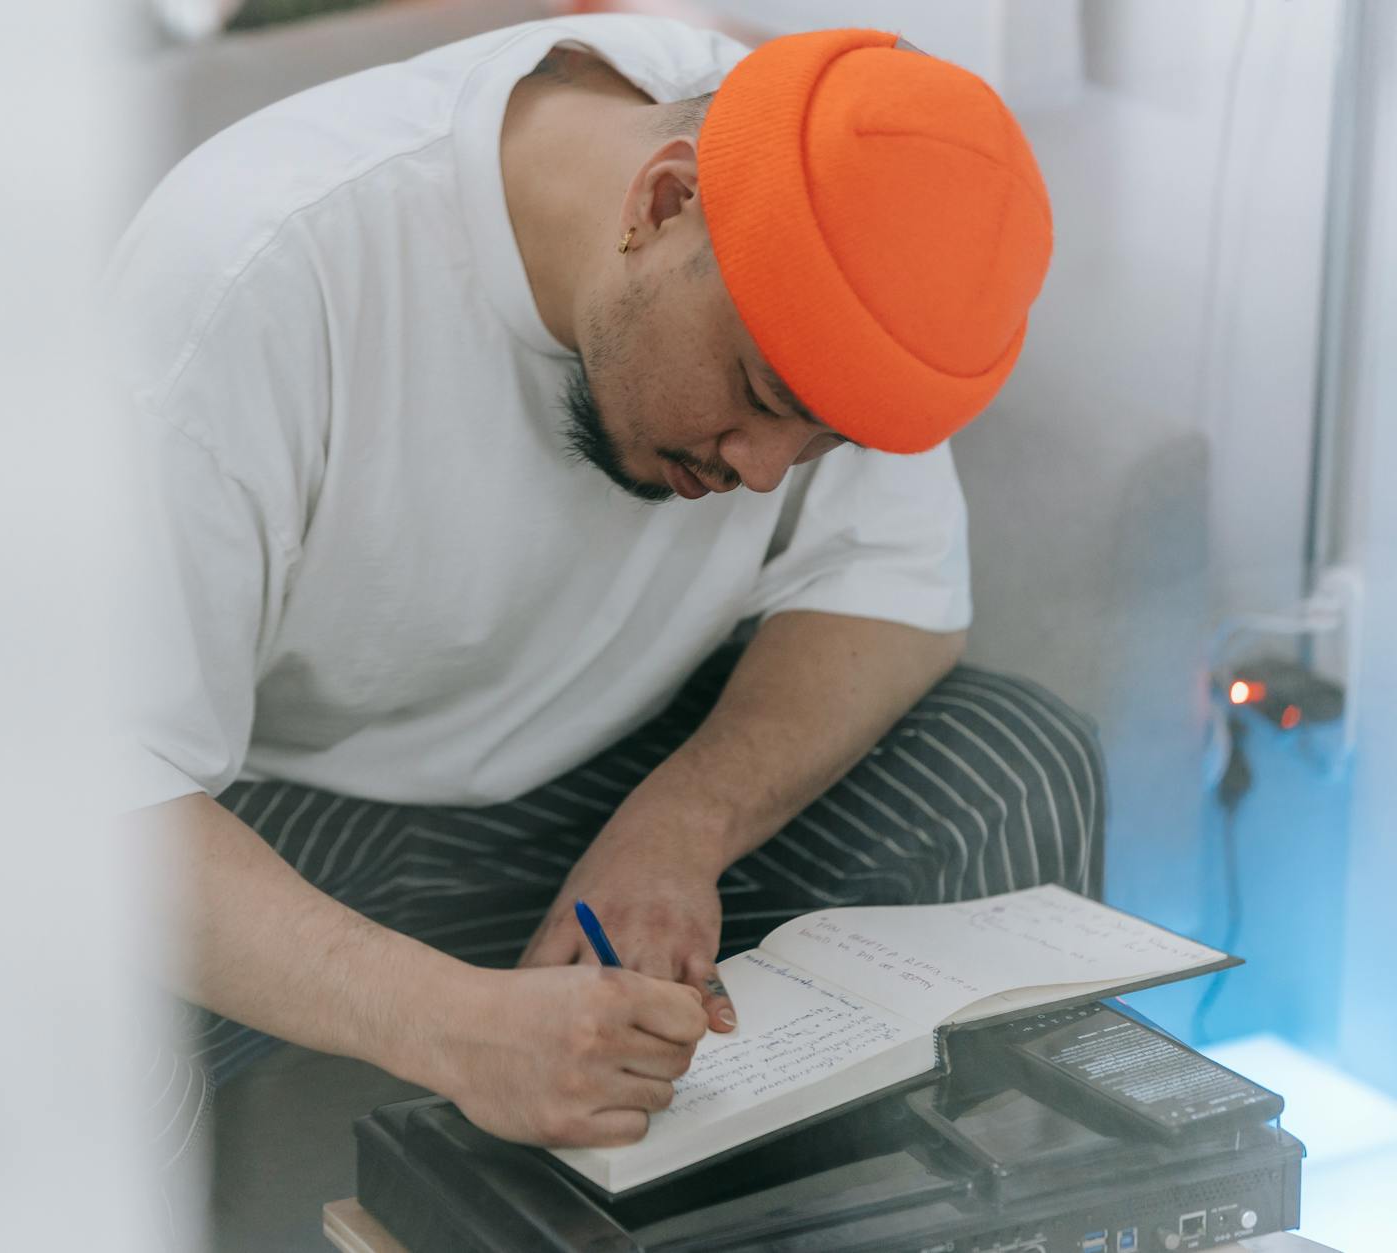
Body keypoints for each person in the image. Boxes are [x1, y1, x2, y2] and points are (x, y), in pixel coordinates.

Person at [112, 13, 1099, 1180]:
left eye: (819, 439)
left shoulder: (830, 201)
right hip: (299, 819)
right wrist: (456, 1027)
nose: (764, 470)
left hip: (622, 777)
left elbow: (894, 588)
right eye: (755, 391)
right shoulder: (259, 266)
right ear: (662, 204)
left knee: (1016, 764)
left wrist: (678, 831)